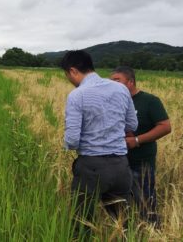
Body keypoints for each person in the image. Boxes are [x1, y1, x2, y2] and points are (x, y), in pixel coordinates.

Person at [61, 51, 138, 234]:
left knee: (83, 223)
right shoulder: (121, 89)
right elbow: (132, 124)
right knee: (123, 223)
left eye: (67, 75)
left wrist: (67, 144)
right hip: (120, 165)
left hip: (91, 167)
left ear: (72, 71)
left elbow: (72, 140)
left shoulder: (77, 95)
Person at [111, 66, 171, 225]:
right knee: (121, 202)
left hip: (142, 162)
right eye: (111, 81)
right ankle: (128, 231)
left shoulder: (150, 101)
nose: (113, 84)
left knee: (145, 201)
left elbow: (165, 126)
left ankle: (153, 231)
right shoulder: (113, 102)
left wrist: (136, 140)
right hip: (118, 161)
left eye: (117, 80)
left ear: (130, 82)